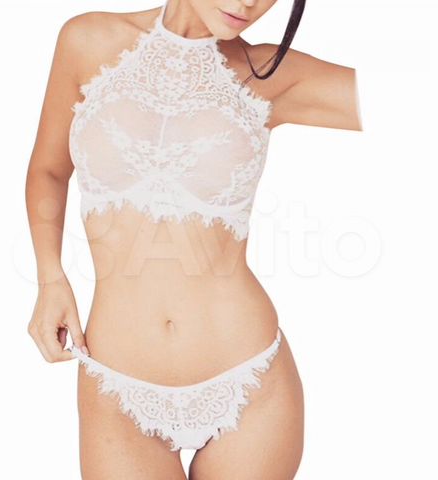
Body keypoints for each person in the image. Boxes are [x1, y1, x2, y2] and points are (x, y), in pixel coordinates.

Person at [25, 0, 363, 478]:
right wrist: (50, 277)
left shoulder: (271, 75)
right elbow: (48, 169)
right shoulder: (87, 40)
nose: (249, 2)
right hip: (116, 381)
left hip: (248, 381)